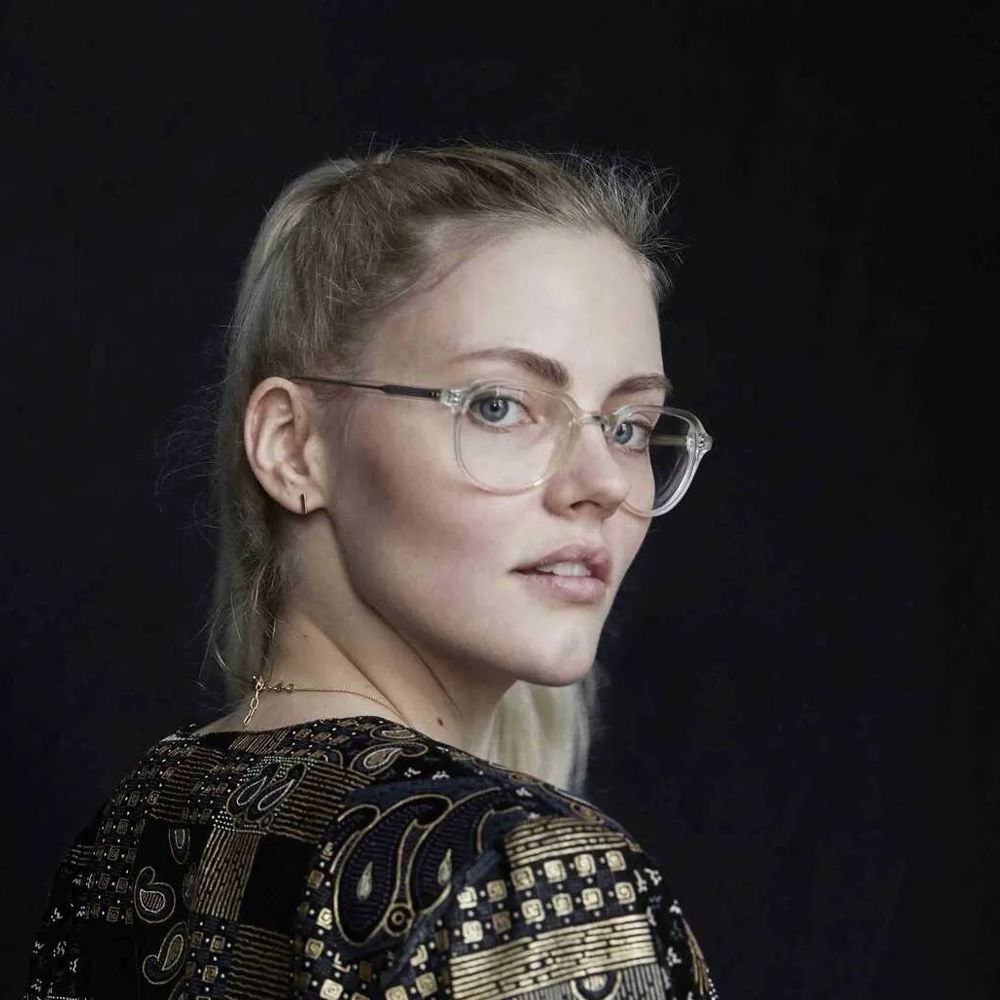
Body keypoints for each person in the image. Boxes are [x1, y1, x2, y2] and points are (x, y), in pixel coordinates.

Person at [23, 142, 717, 999]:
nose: (605, 483)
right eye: (499, 406)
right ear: (293, 446)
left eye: (629, 425)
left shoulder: (134, 827)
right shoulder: (522, 877)